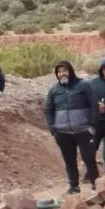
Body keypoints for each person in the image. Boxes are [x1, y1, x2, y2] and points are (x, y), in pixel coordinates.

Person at [44, 60, 99, 194]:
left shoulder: (83, 85)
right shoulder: (54, 90)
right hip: (63, 133)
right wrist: (53, 128)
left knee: (89, 158)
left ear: (71, 71)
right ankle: (74, 186)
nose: (62, 74)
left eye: (65, 71)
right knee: (69, 160)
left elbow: (93, 105)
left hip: (83, 130)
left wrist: (91, 125)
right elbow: (48, 109)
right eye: (59, 72)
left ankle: (96, 184)